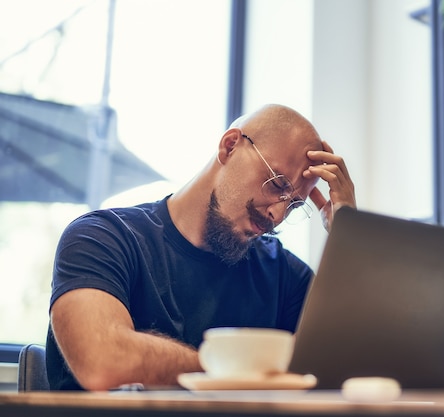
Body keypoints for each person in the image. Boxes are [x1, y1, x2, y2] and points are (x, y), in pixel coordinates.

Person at [46, 104, 356, 391]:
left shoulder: (284, 275)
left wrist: (346, 239)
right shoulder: (103, 238)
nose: (277, 215)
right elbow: (103, 361)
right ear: (230, 146)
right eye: (277, 184)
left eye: (294, 205)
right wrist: (234, 374)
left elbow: (341, 371)